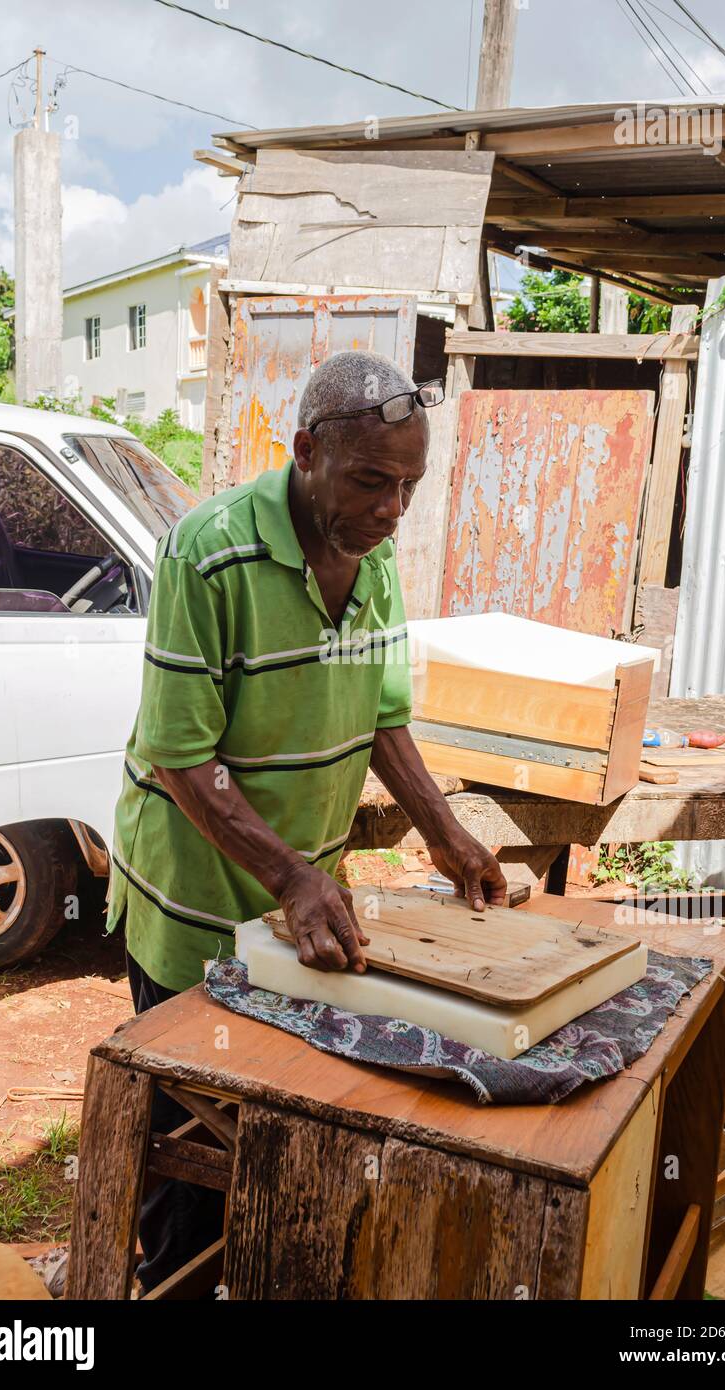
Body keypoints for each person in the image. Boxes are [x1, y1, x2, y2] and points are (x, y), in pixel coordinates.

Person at [105, 349, 507, 1290]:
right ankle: (173, 1282)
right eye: (371, 480)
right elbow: (177, 754)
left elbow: (380, 715)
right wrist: (290, 874)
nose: (391, 508)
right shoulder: (207, 551)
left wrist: (444, 833)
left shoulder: (372, 555)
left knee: (279, 1124)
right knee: (187, 1137)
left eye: (407, 485)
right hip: (199, 894)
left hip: (305, 904)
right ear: (307, 453)